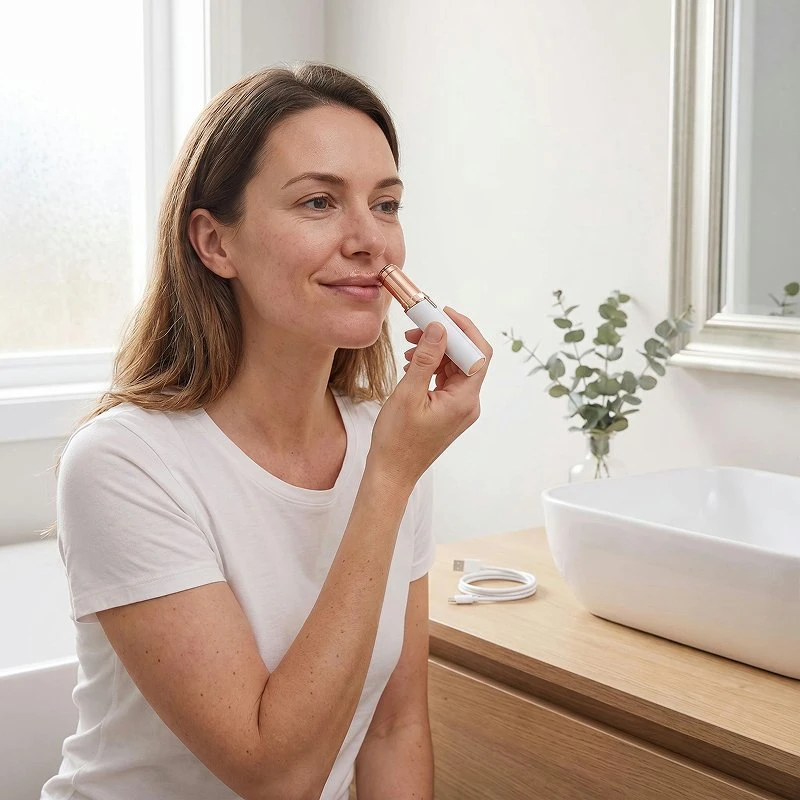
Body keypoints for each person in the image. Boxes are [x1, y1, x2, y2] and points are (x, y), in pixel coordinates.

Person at [41, 63, 491, 800]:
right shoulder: (124, 462)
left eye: (385, 204)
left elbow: (393, 728)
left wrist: (391, 467)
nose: (370, 241)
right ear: (215, 243)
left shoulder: (387, 439)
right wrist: (388, 478)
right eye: (318, 202)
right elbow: (276, 776)